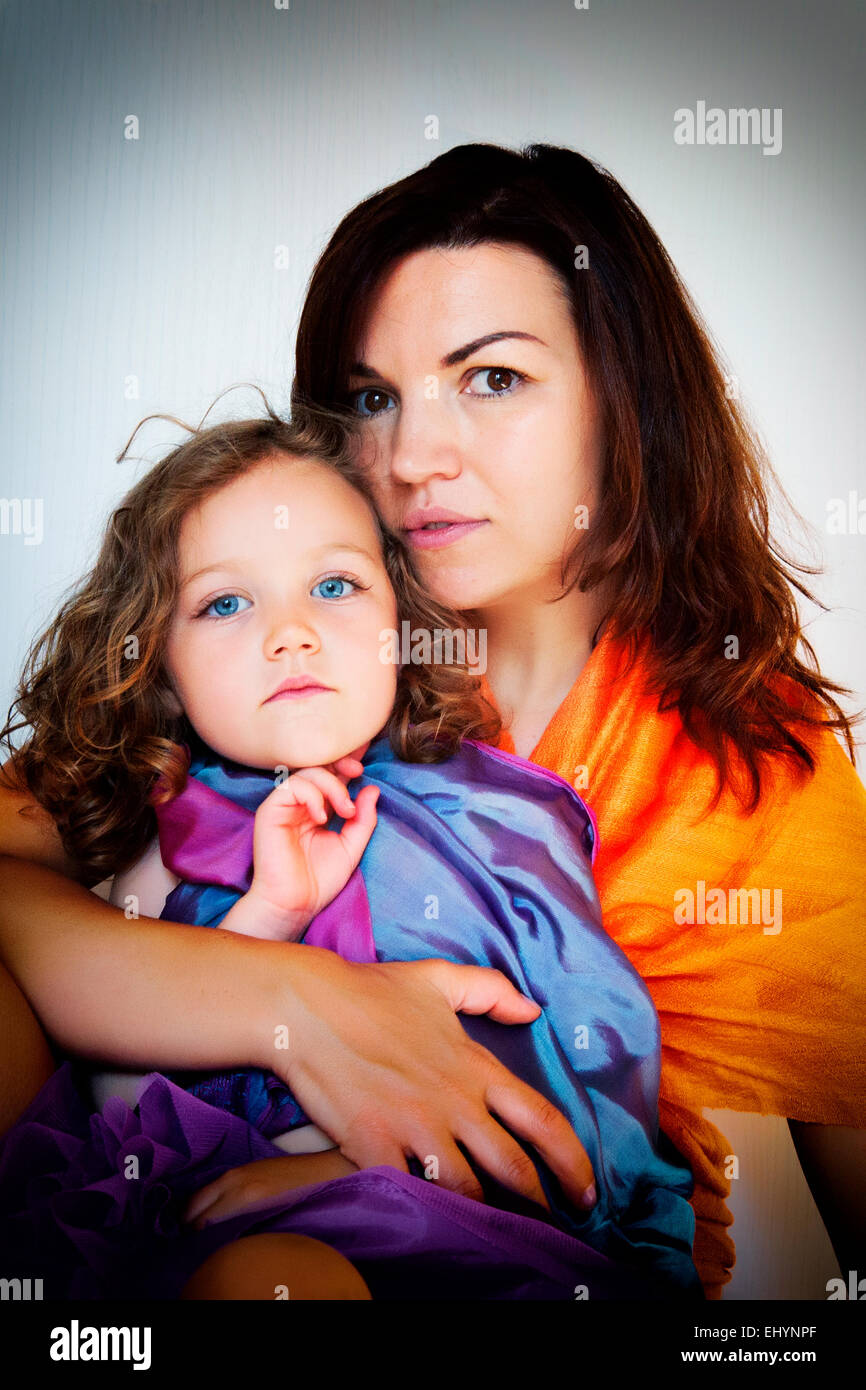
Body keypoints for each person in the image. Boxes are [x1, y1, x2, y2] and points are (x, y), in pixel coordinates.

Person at [1, 142, 864, 1299]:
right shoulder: (262, 678)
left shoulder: (746, 764)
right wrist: (299, 1006)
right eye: (370, 398)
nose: (411, 457)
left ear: (627, 398)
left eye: (492, 378)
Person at [0, 406, 702, 1301]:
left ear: (402, 623)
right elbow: (122, 1110)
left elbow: (577, 1049)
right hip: (225, 1227)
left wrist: (338, 1172)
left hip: (458, 1228)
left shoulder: (496, 815)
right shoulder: (161, 833)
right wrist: (269, 916)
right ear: (162, 677)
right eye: (225, 603)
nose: (290, 632)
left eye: (333, 588)